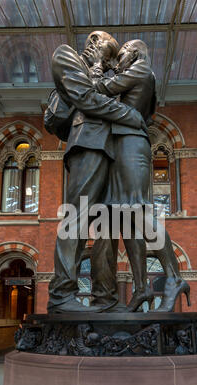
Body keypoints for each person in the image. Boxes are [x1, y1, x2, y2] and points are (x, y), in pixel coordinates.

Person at [47, 31, 148, 314]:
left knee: (108, 227)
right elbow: (86, 99)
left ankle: (105, 298)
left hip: (112, 149)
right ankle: (61, 294)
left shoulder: (104, 72)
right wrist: (131, 116)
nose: (114, 60)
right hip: (88, 143)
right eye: (109, 50)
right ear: (93, 44)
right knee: (77, 217)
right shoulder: (67, 55)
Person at [91, 40, 191, 312]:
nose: (118, 60)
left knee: (138, 212)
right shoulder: (135, 73)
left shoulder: (141, 69)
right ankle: (141, 288)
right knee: (127, 221)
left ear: (133, 53)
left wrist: (98, 66)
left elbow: (100, 89)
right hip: (122, 145)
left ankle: (173, 278)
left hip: (131, 144)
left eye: (121, 54)